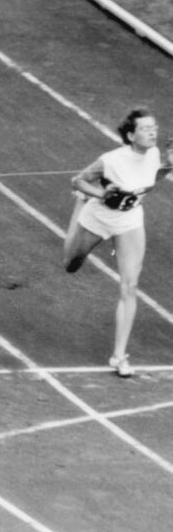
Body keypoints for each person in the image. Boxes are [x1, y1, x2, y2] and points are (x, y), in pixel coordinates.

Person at [63, 108, 172, 378]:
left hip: (129, 221)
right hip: (98, 217)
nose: (152, 131)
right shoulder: (110, 160)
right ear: (131, 135)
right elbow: (78, 179)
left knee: (130, 285)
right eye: (146, 128)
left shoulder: (155, 155)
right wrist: (99, 194)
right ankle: (79, 205)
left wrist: (171, 165)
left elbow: (150, 180)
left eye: (154, 127)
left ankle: (119, 356)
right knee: (71, 264)